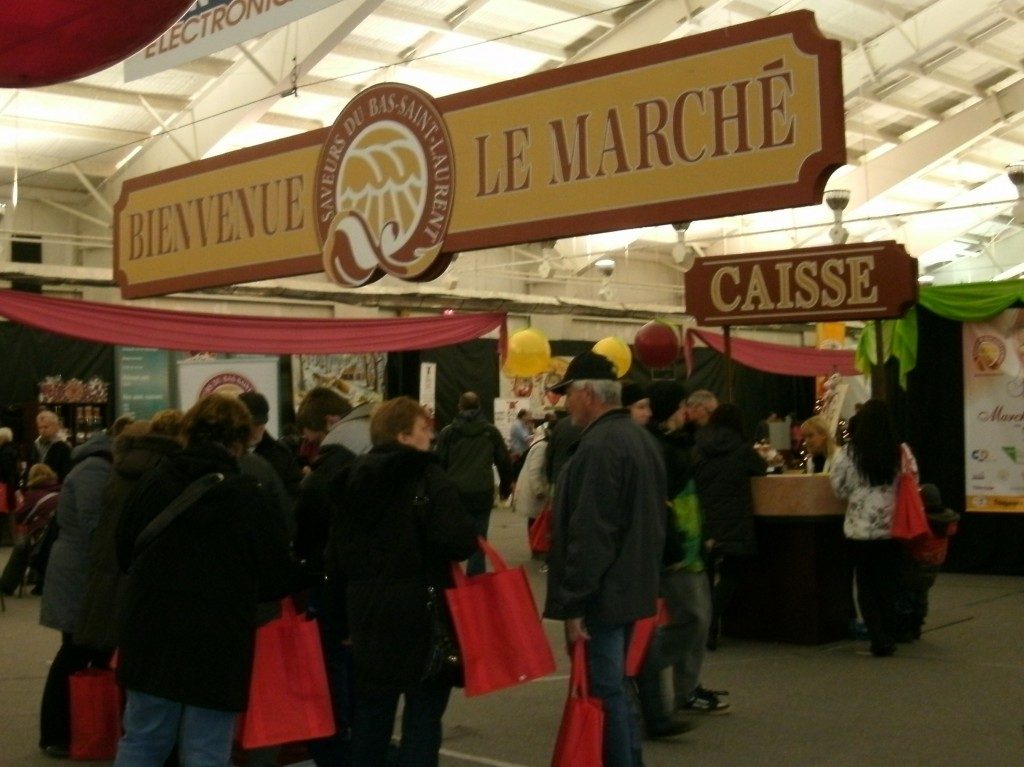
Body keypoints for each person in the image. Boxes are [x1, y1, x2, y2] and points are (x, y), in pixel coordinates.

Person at [113, 394, 303, 766]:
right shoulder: (248, 494)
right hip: (218, 635)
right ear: (240, 440)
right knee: (206, 748)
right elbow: (275, 576)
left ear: (189, 431)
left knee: (143, 739)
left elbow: (124, 550)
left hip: (150, 626)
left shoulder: (154, 480)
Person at [325, 396, 477, 767]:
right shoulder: (428, 476)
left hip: (367, 613)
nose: (431, 437)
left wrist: (340, 620)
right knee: (423, 715)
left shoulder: (350, 480)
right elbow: (459, 541)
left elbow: (335, 558)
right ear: (403, 436)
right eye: (424, 429)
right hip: (423, 613)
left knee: (372, 714)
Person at [543, 351, 668, 766]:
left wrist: (574, 603)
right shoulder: (641, 440)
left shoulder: (598, 447)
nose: (565, 403)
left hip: (604, 593)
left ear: (587, 394)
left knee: (604, 690)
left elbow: (591, 533)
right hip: (633, 584)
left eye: (568, 394)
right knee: (615, 687)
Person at [635, 381, 730, 738]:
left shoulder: (678, 442)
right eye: (680, 406)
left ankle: (683, 689)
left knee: (698, 619)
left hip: (690, 543)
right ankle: (644, 669)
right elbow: (660, 501)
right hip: (676, 547)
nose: (685, 412)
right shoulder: (660, 447)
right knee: (693, 618)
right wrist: (673, 544)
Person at [76, 411, 185, 654]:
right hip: (140, 568)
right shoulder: (164, 469)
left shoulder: (120, 465)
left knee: (97, 646)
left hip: (109, 559)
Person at [37, 423, 116, 757]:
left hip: (79, 572)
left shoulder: (90, 466)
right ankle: (57, 732)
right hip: (80, 574)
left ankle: (77, 730)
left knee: (81, 651)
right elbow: (93, 524)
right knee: (75, 652)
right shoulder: (95, 471)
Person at [829, 398, 903, 657]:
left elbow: (839, 488)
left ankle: (878, 637)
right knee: (887, 582)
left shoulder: (848, 453)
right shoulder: (899, 452)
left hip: (859, 528)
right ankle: (890, 632)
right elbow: (911, 481)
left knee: (866, 584)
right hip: (892, 525)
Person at [692, 403, 767, 651]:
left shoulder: (698, 447)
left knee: (706, 574)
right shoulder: (742, 450)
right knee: (732, 573)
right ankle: (712, 620)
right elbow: (761, 470)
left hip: (704, 518)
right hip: (734, 519)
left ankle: (706, 627)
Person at [435, 392, 513, 576]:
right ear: (479, 407)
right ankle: (475, 580)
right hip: (482, 493)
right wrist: (505, 490)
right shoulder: (491, 432)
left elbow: (438, 464)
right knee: (479, 539)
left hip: (454, 494)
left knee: (450, 537)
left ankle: (451, 579)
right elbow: (504, 462)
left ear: (459, 407)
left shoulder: (448, 433)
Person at [895, 483, 960, 642]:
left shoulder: (921, 522)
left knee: (907, 595)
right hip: (934, 563)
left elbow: (909, 541)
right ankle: (917, 625)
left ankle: (905, 630)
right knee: (922, 594)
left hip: (914, 563)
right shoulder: (946, 521)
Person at [0, 463, 60, 597]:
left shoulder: (33, 494)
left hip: (42, 541)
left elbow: (20, 518)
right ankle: (40, 583)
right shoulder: (59, 490)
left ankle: (6, 585)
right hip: (58, 538)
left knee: (21, 547)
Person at [238, 390, 303, 500]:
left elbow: (293, 494)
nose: (256, 430)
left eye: (261, 424)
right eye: (252, 424)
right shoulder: (224, 453)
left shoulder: (280, 455)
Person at [30, 410, 72, 482]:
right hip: (37, 484)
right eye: (40, 427)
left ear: (56, 427)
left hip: (56, 485)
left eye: (46, 427)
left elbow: (67, 472)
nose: (42, 430)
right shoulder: (36, 444)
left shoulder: (63, 446)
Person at [0, 426, 19, 518]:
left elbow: (6, 470)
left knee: (4, 513)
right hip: (10, 485)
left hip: (4, 485)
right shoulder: (12, 449)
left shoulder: (4, 452)